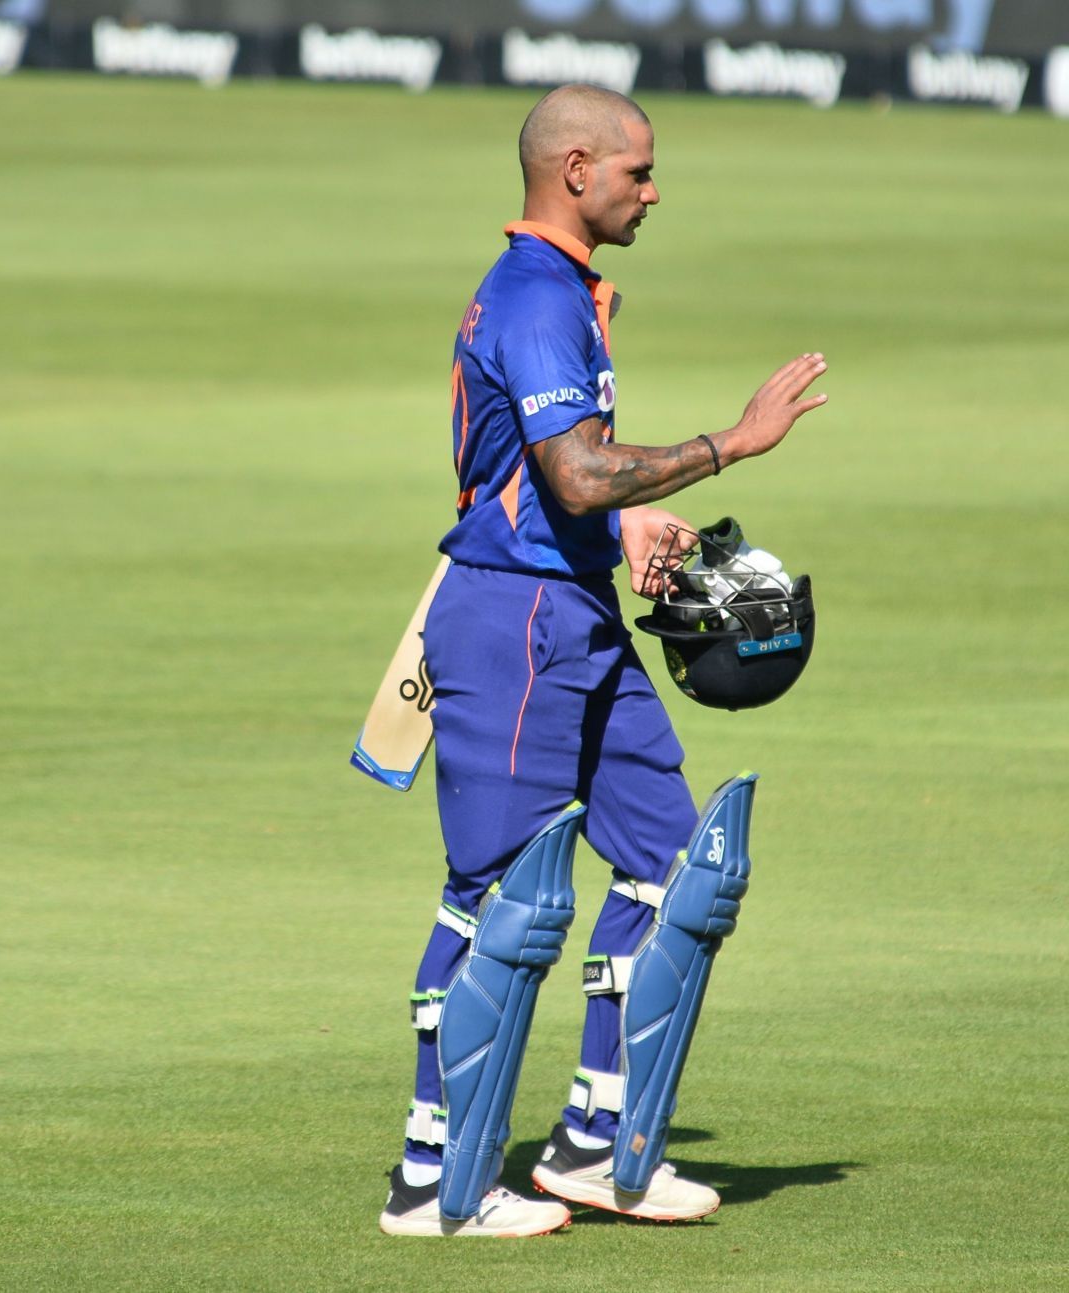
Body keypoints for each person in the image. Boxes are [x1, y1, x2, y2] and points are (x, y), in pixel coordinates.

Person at [378, 83, 828, 1239]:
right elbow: (572, 474)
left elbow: (537, 476)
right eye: (637, 171)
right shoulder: (535, 297)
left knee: (681, 868)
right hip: (515, 622)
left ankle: (601, 1145)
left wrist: (621, 528)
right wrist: (731, 443)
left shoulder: (564, 292)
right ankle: (437, 1179)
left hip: (569, 606)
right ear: (575, 169)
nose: (653, 189)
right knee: (500, 898)